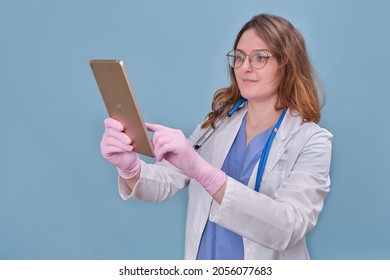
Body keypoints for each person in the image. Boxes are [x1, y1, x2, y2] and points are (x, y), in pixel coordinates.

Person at [100, 13, 332, 260]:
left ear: (287, 65)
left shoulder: (312, 141)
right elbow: (166, 181)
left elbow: (290, 227)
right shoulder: (218, 124)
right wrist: (130, 168)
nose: (245, 67)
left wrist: (205, 174)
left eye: (260, 57)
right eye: (240, 57)